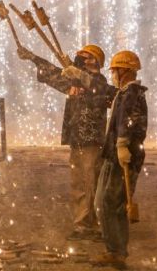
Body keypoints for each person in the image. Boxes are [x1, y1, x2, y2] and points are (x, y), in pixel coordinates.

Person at [18, 43, 112, 240]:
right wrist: (33, 58)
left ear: (95, 61)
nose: (81, 58)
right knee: (79, 184)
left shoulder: (98, 81)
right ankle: (82, 224)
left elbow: (99, 88)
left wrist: (78, 74)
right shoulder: (76, 81)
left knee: (91, 183)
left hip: (92, 141)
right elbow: (54, 76)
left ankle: (95, 224)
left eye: (85, 56)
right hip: (77, 139)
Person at [88, 50, 147, 270]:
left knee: (109, 203)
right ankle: (116, 250)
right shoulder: (124, 92)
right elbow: (104, 90)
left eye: (115, 70)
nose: (112, 74)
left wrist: (122, 144)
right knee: (106, 202)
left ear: (125, 71)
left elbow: (128, 120)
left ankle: (116, 252)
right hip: (114, 154)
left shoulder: (132, 93)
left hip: (123, 155)